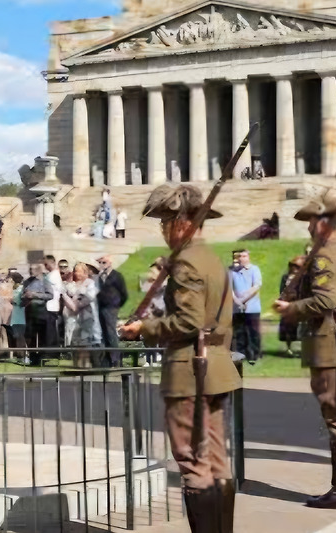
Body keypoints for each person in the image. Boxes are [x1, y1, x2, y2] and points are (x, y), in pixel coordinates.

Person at [119, 183, 236, 529]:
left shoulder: (186, 262)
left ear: (180, 223)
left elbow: (189, 320)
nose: (163, 230)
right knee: (216, 460)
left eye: (164, 222)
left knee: (193, 462)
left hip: (190, 370)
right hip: (215, 366)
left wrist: (143, 329)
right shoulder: (211, 257)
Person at [272, 190, 336, 509]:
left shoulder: (324, 255)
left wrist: (291, 308)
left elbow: (325, 301)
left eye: (312, 221)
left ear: (324, 222)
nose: (309, 227)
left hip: (331, 340)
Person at [63, 262, 102, 369]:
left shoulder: (90, 283)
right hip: (74, 317)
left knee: (85, 342)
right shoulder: (73, 284)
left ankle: (85, 364)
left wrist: (77, 304)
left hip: (87, 315)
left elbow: (89, 298)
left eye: (79, 271)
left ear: (85, 272)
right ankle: (76, 363)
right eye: (75, 271)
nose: (77, 273)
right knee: (75, 342)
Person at [228, 248, 263, 364]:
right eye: (240, 256)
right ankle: (240, 355)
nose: (241, 258)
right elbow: (229, 288)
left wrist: (245, 298)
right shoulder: (232, 271)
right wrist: (236, 301)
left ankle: (253, 354)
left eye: (244, 256)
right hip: (237, 308)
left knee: (253, 332)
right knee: (239, 332)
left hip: (252, 307)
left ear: (248, 257)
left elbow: (256, 286)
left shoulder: (254, 269)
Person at [96, 256, 128, 367]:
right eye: (99, 262)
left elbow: (124, 293)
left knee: (111, 333)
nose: (101, 264)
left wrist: (116, 305)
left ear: (110, 262)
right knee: (103, 333)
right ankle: (106, 360)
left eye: (103, 262)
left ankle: (115, 359)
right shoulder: (100, 276)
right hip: (101, 307)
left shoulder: (116, 276)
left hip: (111, 307)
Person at [21, 261, 53, 365]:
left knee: (42, 335)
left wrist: (35, 295)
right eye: (30, 270)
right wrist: (24, 297)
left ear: (38, 270)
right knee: (30, 335)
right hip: (29, 311)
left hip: (41, 311)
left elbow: (50, 295)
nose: (31, 272)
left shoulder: (45, 281)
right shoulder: (26, 282)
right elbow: (21, 296)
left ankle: (42, 357)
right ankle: (32, 357)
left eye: (33, 269)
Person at [278, 257, 304, 358]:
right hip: (287, 304)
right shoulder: (285, 277)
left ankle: (302, 350)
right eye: (293, 265)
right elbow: (281, 290)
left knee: (301, 327)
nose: (295, 268)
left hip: (298, 303)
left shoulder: (303, 277)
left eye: (297, 266)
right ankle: (288, 348)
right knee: (287, 327)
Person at [5, 271, 26, 361]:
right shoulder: (12, 290)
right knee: (16, 336)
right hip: (15, 315)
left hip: (21, 315)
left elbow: (21, 301)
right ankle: (19, 355)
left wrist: (13, 300)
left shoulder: (21, 289)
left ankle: (23, 355)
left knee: (21, 336)